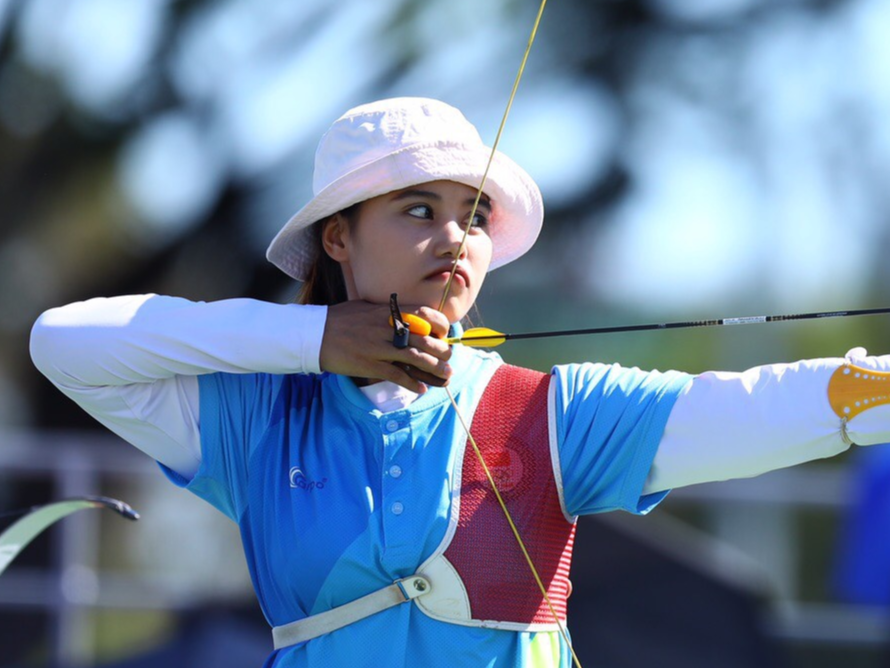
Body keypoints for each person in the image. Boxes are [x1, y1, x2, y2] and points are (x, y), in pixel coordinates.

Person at [29, 97, 890, 668]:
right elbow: (63, 340)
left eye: (473, 216)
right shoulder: (256, 415)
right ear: (337, 239)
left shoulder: (557, 416)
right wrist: (320, 338)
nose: (454, 237)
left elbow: (764, 405)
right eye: (417, 210)